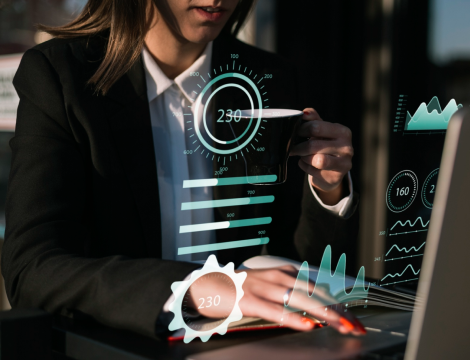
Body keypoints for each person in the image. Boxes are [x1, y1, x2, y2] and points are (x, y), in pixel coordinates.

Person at [1, 0, 365, 339]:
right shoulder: (61, 75)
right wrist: (192, 287)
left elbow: (298, 261)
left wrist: (327, 190)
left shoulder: (269, 77)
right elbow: (32, 270)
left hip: (249, 342)